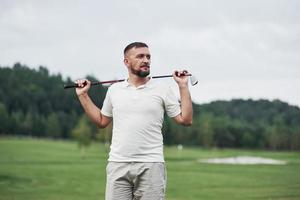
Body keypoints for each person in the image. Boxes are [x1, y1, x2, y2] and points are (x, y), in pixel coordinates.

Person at [75, 42, 193, 200]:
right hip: (118, 163)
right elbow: (102, 121)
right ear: (126, 62)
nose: (146, 60)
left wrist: (183, 86)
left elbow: (185, 120)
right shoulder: (114, 90)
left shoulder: (162, 89)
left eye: (148, 57)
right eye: (140, 56)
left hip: (151, 165)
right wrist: (83, 95)